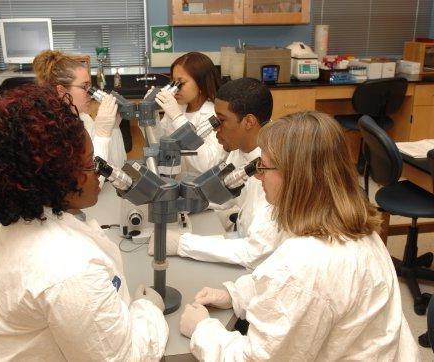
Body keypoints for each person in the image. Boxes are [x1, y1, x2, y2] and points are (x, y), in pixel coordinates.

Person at [179, 111, 419, 361]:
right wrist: (234, 295)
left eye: (265, 166)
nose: (258, 175)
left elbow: (256, 358)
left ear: (297, 178)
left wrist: (202, 330)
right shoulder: (348, 224)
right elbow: (279, 281)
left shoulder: (305, 264)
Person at [0, 84, 168, 361]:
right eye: (88, 163)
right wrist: (149, 310)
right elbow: (123, 358)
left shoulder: (17, 219)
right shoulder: (69, 269)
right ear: (55, 177)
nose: (99, 171)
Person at [149, 78, 285, 269]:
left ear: (249, 122)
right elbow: (226, 193)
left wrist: (182, 243)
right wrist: (184, 199)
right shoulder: (241, 150)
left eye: (221, 121)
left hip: (260, 267)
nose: (215, 130)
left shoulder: (275, 172)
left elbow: (255, 252)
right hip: (242, 239)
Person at [33, 50, 126, 169]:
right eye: (84, 86)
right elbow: (89, 182)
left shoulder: (84, 119)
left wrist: (113, 128)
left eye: (89, 86)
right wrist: (102, 136)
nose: (90, 93)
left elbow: (116, 167)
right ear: (61, 91)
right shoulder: (50, 132)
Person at [153, 51, 227, 178]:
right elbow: (158, 143)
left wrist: (178, 118)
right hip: (178, 183)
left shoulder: (216, 114)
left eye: (181, 83)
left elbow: (207, 164)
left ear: (200, 82)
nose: (175, 89)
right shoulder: (177, 108)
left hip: (205, 188)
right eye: (173, 82)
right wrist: (151, 115)